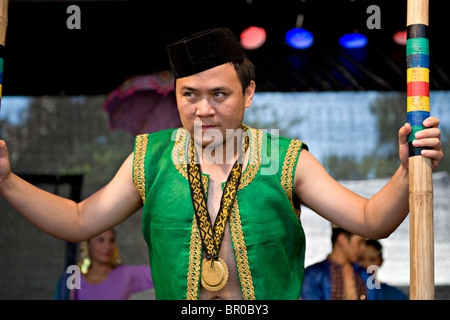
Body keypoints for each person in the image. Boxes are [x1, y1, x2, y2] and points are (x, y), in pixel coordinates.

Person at [0, 27, 443, 300]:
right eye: (188, 95)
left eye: (219, 95)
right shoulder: (149, 158)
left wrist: (407, 173)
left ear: (248, 94)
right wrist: (7, 181)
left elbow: (370, 219)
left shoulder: (285, 160)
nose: (203, 110)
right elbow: (79, 220)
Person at [53, 228, 154, 300]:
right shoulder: (71, 279)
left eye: (111, 240)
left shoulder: (127, 274)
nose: (107, 246)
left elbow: (163, 271)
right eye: (100, 240)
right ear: (87, 244)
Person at [300, 226, 382, 300]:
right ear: (342, 239)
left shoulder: (366, 275)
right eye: (360, 242)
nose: (363, 248)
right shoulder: (313, 274)